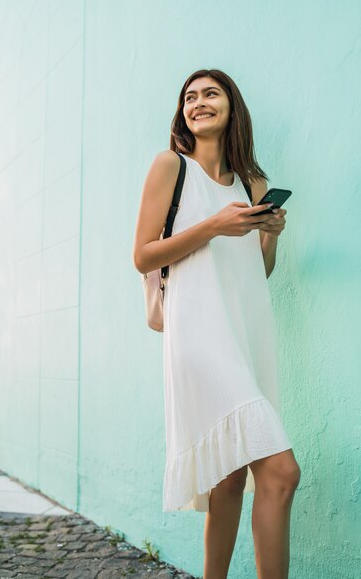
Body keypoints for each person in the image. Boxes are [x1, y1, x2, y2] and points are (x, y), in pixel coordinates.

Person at [132, 68, 301, 579]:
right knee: (281, 472)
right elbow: (142, 256)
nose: (198, 102)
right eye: (190, 96)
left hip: (244, 337)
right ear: (183, 113)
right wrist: (214, 225)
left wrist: (268, 233)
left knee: (228, 479)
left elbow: (258, 272)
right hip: (198, 340)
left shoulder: (254, 183)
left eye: (211, 93)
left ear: (233, 107)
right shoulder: (171, 167)